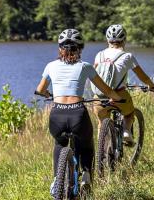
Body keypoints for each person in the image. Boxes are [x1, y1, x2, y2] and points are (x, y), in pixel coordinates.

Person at [35, 29, 122, 196]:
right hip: (78, 114)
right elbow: (106, 90)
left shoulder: (50, 66)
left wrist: (48, 94)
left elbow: (40, 89)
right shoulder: (85, 66)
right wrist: (117, 98)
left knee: (60, 144)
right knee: (86, 143)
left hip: (57, 115)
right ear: (80, 49)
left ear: (60, 49)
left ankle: (56, 180)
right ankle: (87, 175)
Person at [90, 24, 154, 144]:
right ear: (124, 40)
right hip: (119, 96)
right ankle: (126, 131)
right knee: (129, 113)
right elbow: (142, 76)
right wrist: (152, 85)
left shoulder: (99, 55)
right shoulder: (127, 56)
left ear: (108, 40)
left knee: (101, 122)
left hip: (100, 97)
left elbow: (93, 74)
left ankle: (102, 150)